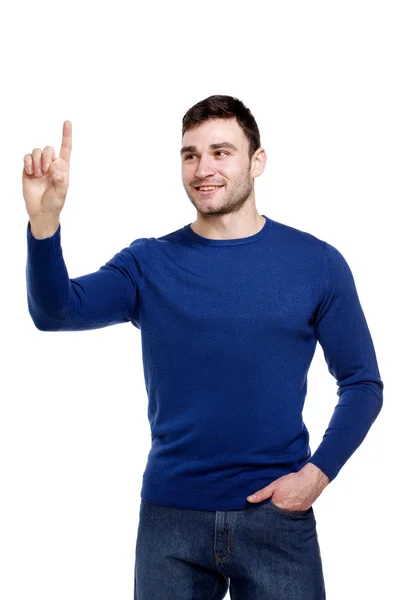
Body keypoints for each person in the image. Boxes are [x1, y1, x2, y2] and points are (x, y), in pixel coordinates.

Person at [23, 95, 384, 600]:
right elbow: (55, 312)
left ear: (257, 161)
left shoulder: (316, 263)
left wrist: (317, 475)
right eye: (190, 154)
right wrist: (45, 226)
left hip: (278, 520)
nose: (203, 168)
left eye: (221, 152)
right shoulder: (149, 262)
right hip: (171, 523)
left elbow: (363, 383)